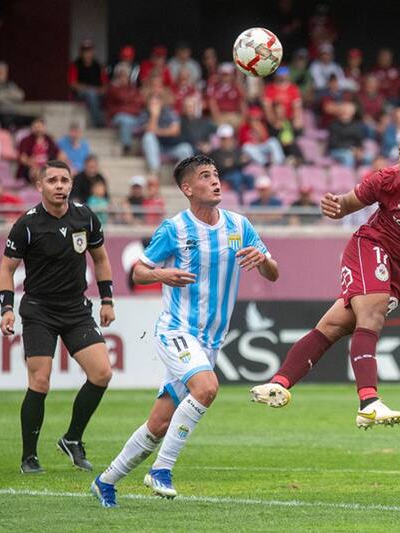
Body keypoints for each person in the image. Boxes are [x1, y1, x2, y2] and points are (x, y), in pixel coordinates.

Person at [249, 126, 400, 429]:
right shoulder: (387, 179)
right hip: (370, 246)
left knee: (334, 325)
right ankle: (369, 402)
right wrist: (334, 206)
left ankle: (278, 383)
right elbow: (347, 203)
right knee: (372, 312)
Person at [91, 154, 279, 507]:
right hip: (175, 330)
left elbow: (273, 272)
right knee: (207, 388)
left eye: (217, 174)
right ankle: (162, 469)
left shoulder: (239, 225)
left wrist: (264, 261)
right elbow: (138, 272)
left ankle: (107, 480)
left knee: (159, 423)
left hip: (210, 342)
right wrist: (165, 274)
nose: (215, 181)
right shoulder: (174, 229)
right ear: (187, 188)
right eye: (206, 176)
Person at [0, 160, 116, 474]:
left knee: (102, 373)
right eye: (52, 180)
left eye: (64, 179)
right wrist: (7, 309)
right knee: (40, 381)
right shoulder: (27, 224)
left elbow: (101, 259)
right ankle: (29, 456)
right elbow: (6, 270)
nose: (60, 185)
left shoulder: (85, 217)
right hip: (39, 311)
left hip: (76, 309)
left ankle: (72, 439)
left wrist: (107, 299)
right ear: (40, 186)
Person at [138, 94, 193, 172]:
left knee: (186, 148)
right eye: (151, 104)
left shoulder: (169, 113)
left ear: (161, 103)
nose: (154, 106)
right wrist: (154, 115)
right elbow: (150, 131)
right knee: (148, 137)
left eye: (156, 103)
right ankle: (155, 170)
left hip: (171, 147)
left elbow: (175, 131)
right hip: (156, 147)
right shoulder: (144, 114)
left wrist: (158, 131)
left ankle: (180, 176)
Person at [208, 124, 254, 203]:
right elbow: (221, 166)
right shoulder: (215, 153)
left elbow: (245, 161)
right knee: (236, 177)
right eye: (224, 139)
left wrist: (232, 162)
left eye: (228, 139)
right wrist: (237, 162)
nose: (226, 141)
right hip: (224, 175)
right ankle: (240, 202)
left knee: (250, 177)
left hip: (238, 173)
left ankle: (250, 199)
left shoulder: (236, 150)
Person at [68, 40, 107, 127]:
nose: (87, 53)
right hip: (81, 93)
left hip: (98, 92)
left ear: (92, 52)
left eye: (89, 51)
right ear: (81, 52)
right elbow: (73, 84)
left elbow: (105, 84)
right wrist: (90, 89)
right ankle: (98, 123)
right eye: (85, 51)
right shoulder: (75, 65)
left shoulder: (98, 65)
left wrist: (101, 90)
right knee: (91, 94)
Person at [0, 61, 34, 129]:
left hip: (14, 111)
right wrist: (10, 95)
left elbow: (20, 95)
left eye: (3, 73)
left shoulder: (10, 84)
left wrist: (4, 95)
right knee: (7, 121)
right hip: (0, 112)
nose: (1, 75)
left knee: (34, 120)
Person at [17, 118, 61, 184]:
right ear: (32, 128)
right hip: (31, 168)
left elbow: (59, 153)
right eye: (36, 127)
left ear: (44, 128)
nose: (38, 129)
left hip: (48, 166)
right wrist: (34, 165)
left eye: (40, 127)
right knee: (39, 173)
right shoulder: (26, 140)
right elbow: (23, 158)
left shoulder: (49, 139)